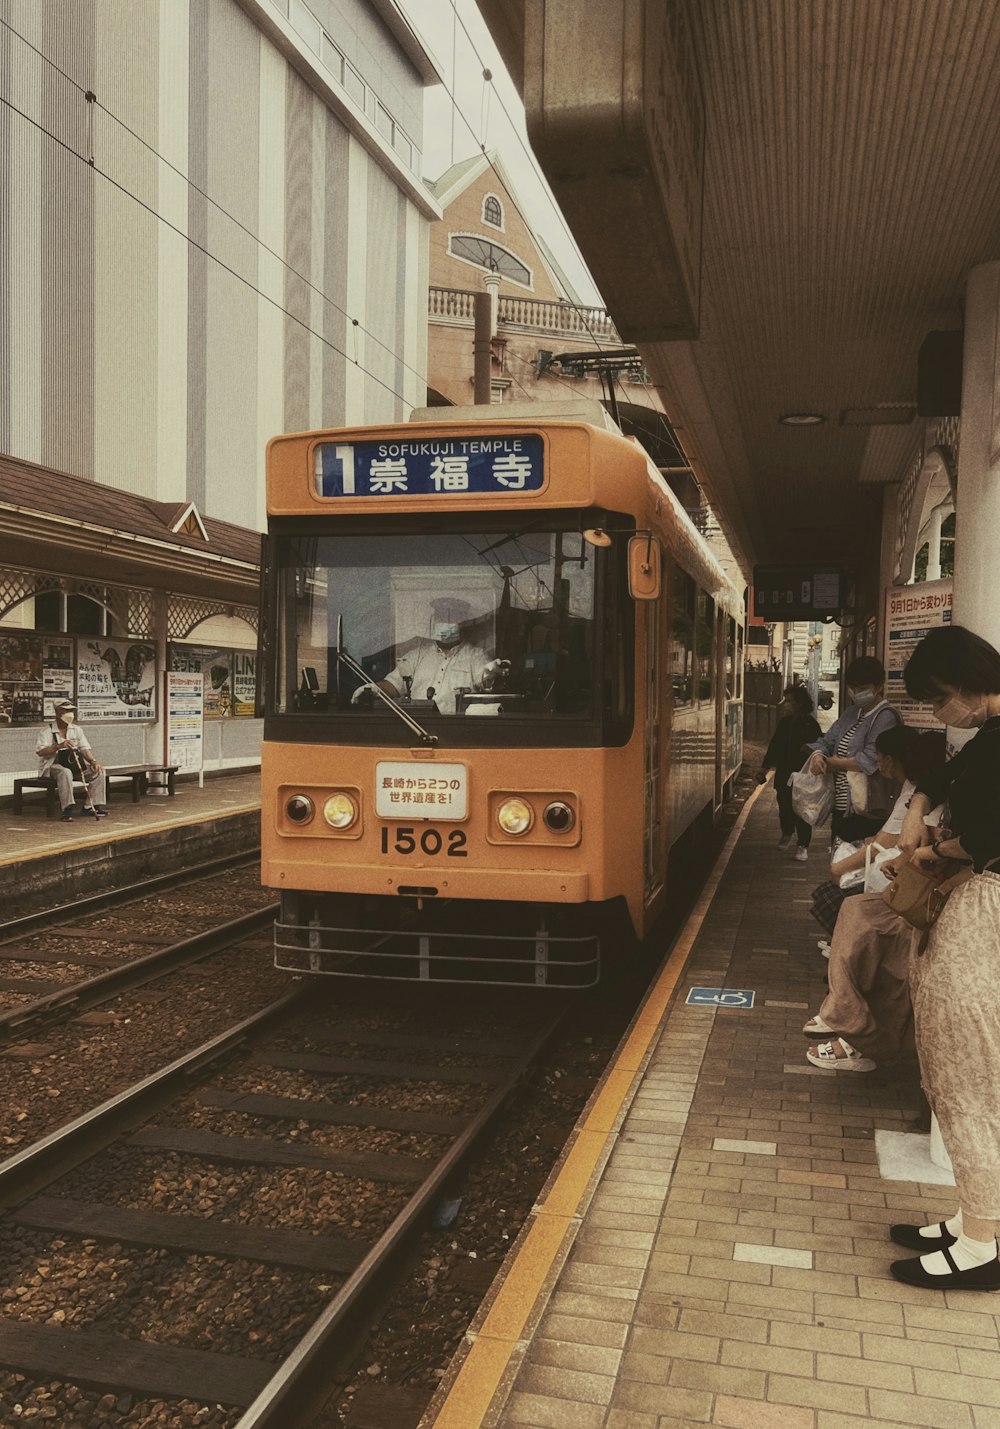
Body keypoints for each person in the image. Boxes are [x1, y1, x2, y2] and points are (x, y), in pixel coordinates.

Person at [882, 625, 1000, 1291]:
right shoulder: (987, 736)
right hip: (982, 904)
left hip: (990, 910)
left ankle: (981, 1243)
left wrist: (935, 851)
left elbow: (991, 830)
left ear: (966, 683)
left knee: (967, 1068)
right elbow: (947, 773)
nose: (937, 713)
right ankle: (972, 1216)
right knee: (963, 1066)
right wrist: (922, 801)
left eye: (938, 698)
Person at [802, 725, 945, 1072]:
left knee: (875, 941)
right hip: (920, 891)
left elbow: (898, 842)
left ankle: (854, 1032)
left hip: (931, 900)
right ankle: (845, 1015)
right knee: (854, 913)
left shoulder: (922, 794)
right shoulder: (922, 793)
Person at [805, 655, 901, 845]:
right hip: (842, 806)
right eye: (854, 688)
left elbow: (871, 759)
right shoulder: (851, 714)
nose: (857, 693)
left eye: (863, 688)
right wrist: (818, 756)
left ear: (879, 686)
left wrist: (833, 763)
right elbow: (826, 741)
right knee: (839, 858)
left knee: (854, 864)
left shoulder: (885, 717)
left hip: (868, 809)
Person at [353, 598, 502, 716]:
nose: (445, 624)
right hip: (416, 726)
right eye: (441, 618)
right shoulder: (416, 655)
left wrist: (491, 673)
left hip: (456, 731)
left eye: (452, 619)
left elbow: (487, 679)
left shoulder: (476, 657)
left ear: (463, 624)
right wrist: (373, 689)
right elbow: (393, 685)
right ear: (434, 622)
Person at [758, 684, 821, 861]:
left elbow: (818, 750)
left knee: (801, 810)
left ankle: (803, 844)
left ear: (799, 704)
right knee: (784, 807)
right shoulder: (784, 723)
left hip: (803, 775)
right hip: (784, 774)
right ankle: (787, 832)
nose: (785, 704)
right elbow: (775, 746)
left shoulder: (811, 725)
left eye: (789, 701)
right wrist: (764, 768)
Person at [35, 699, 108, 821]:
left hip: (75, 765)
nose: (70, 714)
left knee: (99, 771)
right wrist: (58, 746)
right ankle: (67, 809)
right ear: (58, 712)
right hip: (53, 766)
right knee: (65, 772)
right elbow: (40, 752)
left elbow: (85, 748)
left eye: (71, 710)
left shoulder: (76, 730)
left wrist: (93, 761)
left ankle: (90, 806)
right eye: (66, 711)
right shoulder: (46, 731)